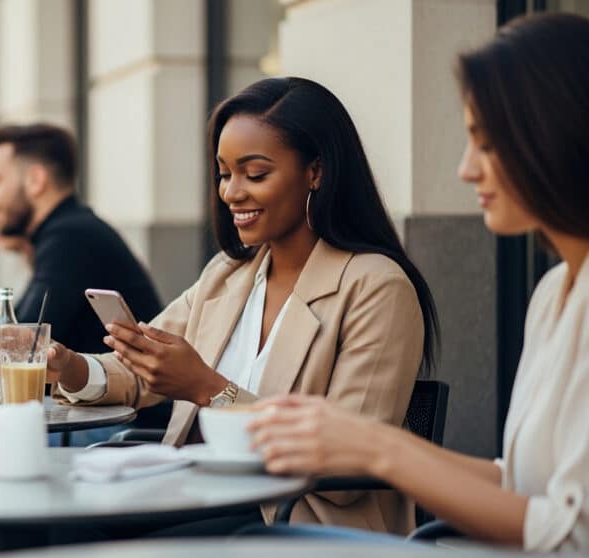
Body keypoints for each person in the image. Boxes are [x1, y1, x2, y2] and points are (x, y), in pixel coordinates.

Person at [0, 77, 441, 538]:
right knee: (30, 517)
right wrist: (66, 366)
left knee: (64, 534)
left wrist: (209, 389)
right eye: (225, 173)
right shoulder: (229, 274)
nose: (231, 192)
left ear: (316, 172)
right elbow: (141, 369)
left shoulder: (376, 287)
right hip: (199, 497)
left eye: (256, 173)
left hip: (298, 521)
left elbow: (347, 457)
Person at [247, 13, 589, 553]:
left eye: (487, 143)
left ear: (555, 135)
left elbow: (572, 535)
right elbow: (524, 487)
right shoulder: (553, 295)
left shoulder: (375, 283)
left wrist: (380, 450)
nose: (465, 169)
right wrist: (368, 443)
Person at [0, 123, 162, 360]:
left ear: (35, 180)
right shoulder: (67, 229)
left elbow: (23, 340)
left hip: (130, 414)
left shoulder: (70, 237)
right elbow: (20, 320)